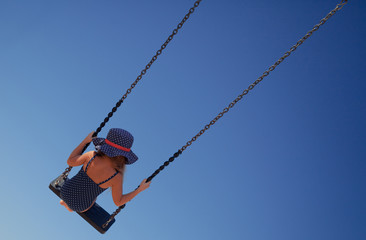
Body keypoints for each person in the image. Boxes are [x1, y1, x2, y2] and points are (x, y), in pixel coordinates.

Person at [59, 128, 150, 212]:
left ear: (105, 145)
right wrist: (139, 189)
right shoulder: (117, 177)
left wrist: (85, 141)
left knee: (76, 191)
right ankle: (70, 208)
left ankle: (65, 202)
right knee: (93, 199)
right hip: (80, 206)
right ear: (124, 156)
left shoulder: (91, 156)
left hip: (65, 191)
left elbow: (70, 161)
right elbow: (118, 202)